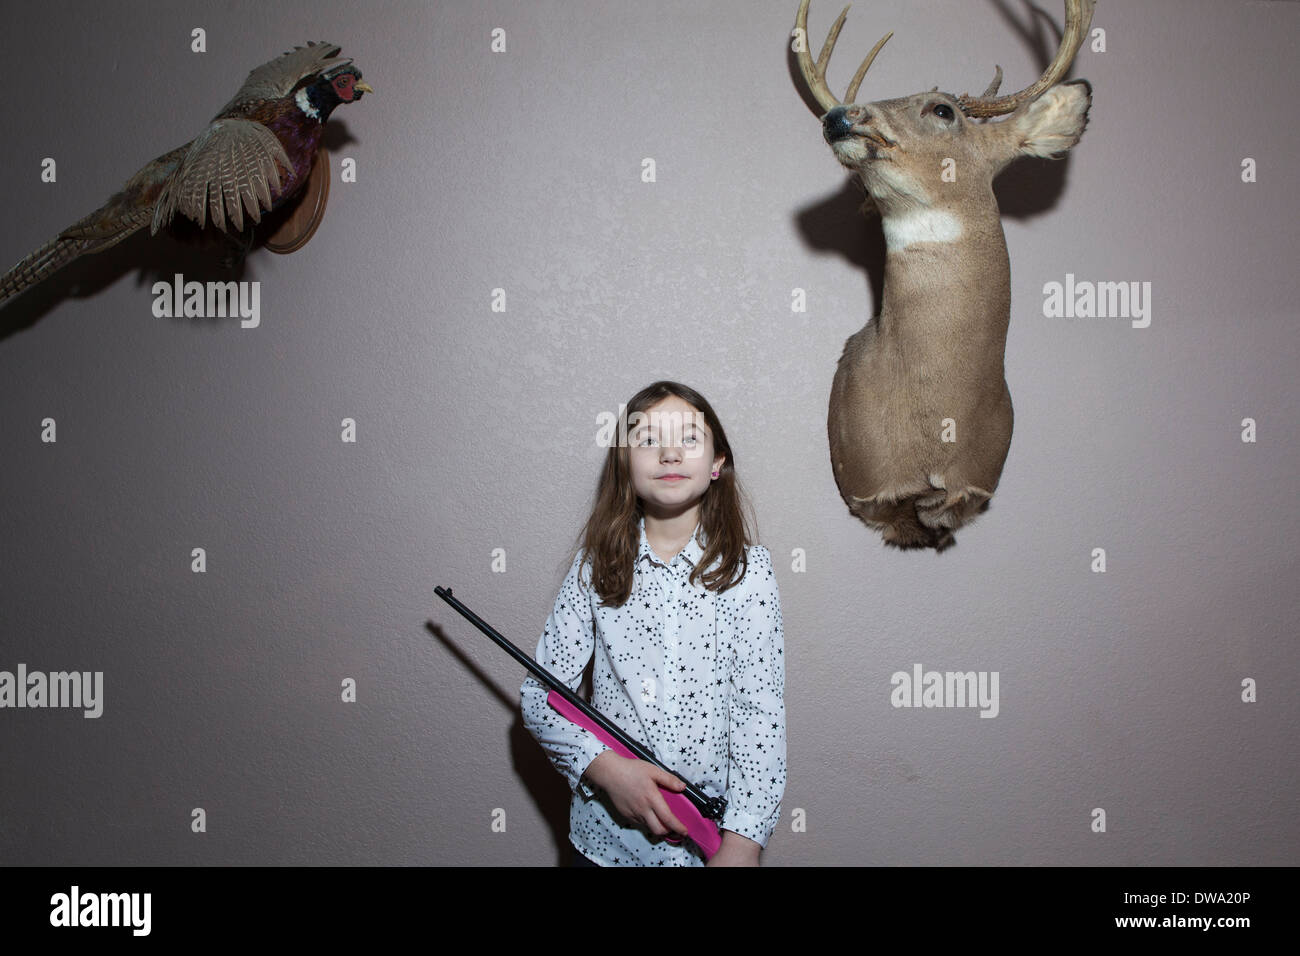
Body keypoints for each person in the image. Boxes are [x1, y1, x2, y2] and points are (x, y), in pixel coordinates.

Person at [520, 380, 786, 866]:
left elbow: (759, 717)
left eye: (688, 438)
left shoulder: (750, 575)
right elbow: (540, 697)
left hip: (706, 851)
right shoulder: (592, 568)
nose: (668, 453)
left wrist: (744, 842)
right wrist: (606, 771)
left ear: (717, 463)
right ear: (625, 463)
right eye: (647, 440)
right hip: (602, 846)